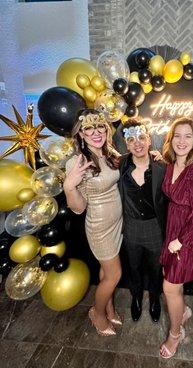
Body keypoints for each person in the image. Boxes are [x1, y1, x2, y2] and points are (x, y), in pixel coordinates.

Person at [64, 109, 123, 336]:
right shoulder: (78, 162)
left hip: (117, 223)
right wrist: (69, 186)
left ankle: (108, 307)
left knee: (106, 271)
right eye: (88, 128)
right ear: (81, 134)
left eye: (99, 126)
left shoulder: (109, 152)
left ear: (106, 128)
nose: (95, 132)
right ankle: (97, 313)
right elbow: (78, 208)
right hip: (99, 227)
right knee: (114, 275)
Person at [159, 117, 193, 359]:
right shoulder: (172, 163)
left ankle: (175, 333)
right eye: (177, 136)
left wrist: (181, 240)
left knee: (169, 287)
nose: (182, 141)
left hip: (188, 236)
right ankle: (183, 311)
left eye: (188, 136)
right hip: (173, 229)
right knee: (172, 282)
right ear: (171, 139)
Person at [118, 118, 167, 322]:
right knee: (134, 267)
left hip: (154, 227)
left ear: (149, 140)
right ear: (126, 144)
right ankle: (136, 297)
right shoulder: (120, 164)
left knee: (155, 269)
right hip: (131, 227)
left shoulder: (162, 167)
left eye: (141, 137)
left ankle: (155, 298)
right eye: (131, 140)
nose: (137, 143)